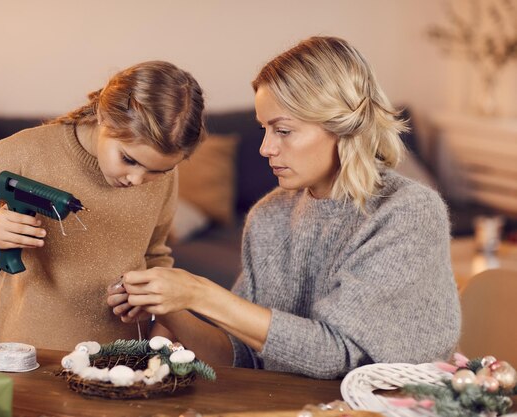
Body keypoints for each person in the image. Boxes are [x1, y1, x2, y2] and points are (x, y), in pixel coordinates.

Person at [108, 37, 461, 378]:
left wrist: (200, 293)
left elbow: (337, 356)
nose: (266, 148)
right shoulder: (269, 215)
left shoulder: (407, 213)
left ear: (340, 125)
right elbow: (242, 358)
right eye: (264, 129)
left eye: (283, 130)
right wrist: (171, 309)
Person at [0, 61, 205, 351]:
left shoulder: (164, 180)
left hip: (118, 362)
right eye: (129, 160)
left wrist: (152, 306)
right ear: (105, 117)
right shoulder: (27, 153)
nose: (138, 179)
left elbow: (155, 254)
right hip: (26, 353)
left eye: (158, 171)